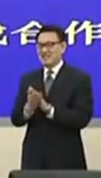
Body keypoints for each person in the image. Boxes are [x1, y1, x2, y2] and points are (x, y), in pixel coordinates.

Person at [11, 24, 93, 169]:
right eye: (40, 46)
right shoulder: (28, 79)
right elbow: (16, 119)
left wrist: (49, 109)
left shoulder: (79, 79)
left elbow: (82, 117)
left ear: (63, 47)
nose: (44, 50)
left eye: (50, 45)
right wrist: (29, 108)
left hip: (66, 158)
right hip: (34, 159)